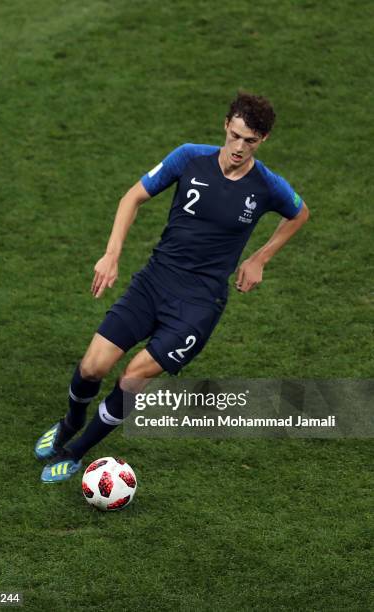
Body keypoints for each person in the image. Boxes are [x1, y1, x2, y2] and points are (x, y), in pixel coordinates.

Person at [35, 91, 309, 482]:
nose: (238, 147)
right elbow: (132, 197)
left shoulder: (267, 186)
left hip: (198, 304)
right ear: (225, 126)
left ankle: (76, 451)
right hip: (154, 281)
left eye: (249, 141)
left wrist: (259, 258)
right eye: (234, 135)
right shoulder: (188, 158)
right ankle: (69, 423)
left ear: (262, 141)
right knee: (92, 366)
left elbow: (299, 213)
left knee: (132, 379)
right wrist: (111, 255)